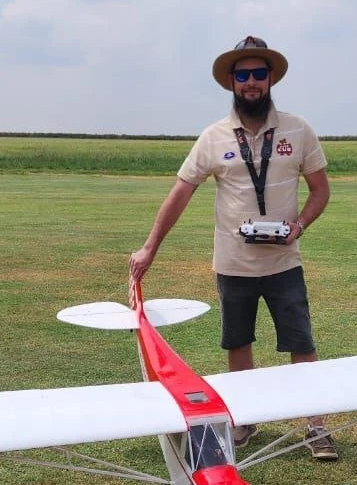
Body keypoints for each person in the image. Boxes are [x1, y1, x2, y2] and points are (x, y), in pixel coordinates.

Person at [128, 35, 337, 462]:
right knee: (238, 344)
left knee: (302, 343)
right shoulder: (213, 136)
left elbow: (320, 192)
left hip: (284, 262)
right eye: (243, 75)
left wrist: (299, 225)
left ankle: (316, 428)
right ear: (231, 81)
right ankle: (244, 420)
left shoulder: (298, 129)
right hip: (234, 264)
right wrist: (150, 248)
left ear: (271, 78)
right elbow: (181, 193)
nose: (252, 82)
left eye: (259, 73)